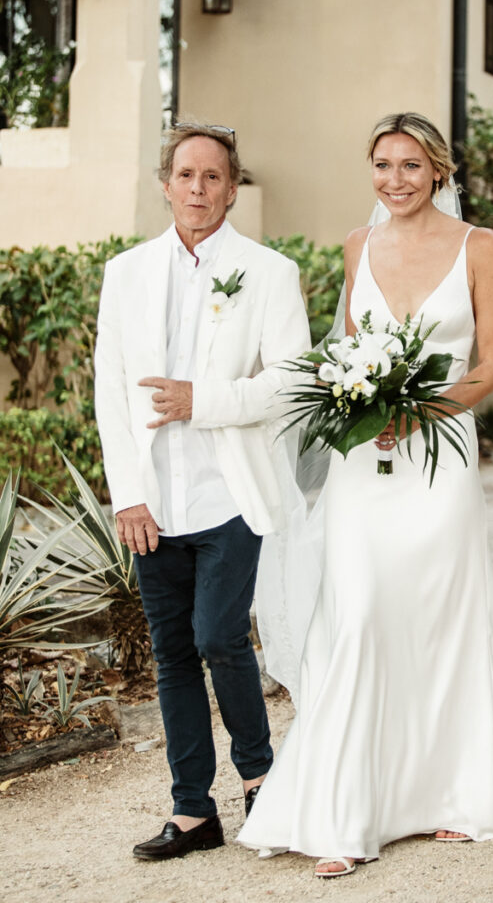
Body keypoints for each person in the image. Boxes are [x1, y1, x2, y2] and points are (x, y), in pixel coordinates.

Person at [237, 112, 493, 877]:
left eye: (410, 165)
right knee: (362, 612)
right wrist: (354, 402)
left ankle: (454, 794)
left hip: (438, 456)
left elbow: (491, 362)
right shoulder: (355, 246)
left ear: (438, 170)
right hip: (361, 464)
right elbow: (346, 350)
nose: (394, 180)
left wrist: (416, 413)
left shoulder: (480, 247)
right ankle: (346, 814)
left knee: (442, 610)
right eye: (381, 164)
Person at [94, 121, 311, 860]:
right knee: (171, 652)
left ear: (231, 186)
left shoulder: (268, 272)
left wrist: (203, 401)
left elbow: (291, 380)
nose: (197, 189)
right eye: (185, 175)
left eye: (213, 177)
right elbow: (111, 392)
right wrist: (127, 493)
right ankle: (192, 810)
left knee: (219, 636)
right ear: (165, 183)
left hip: (230, 495)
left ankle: (260, 781)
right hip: (153, 500)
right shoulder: (124, 273)